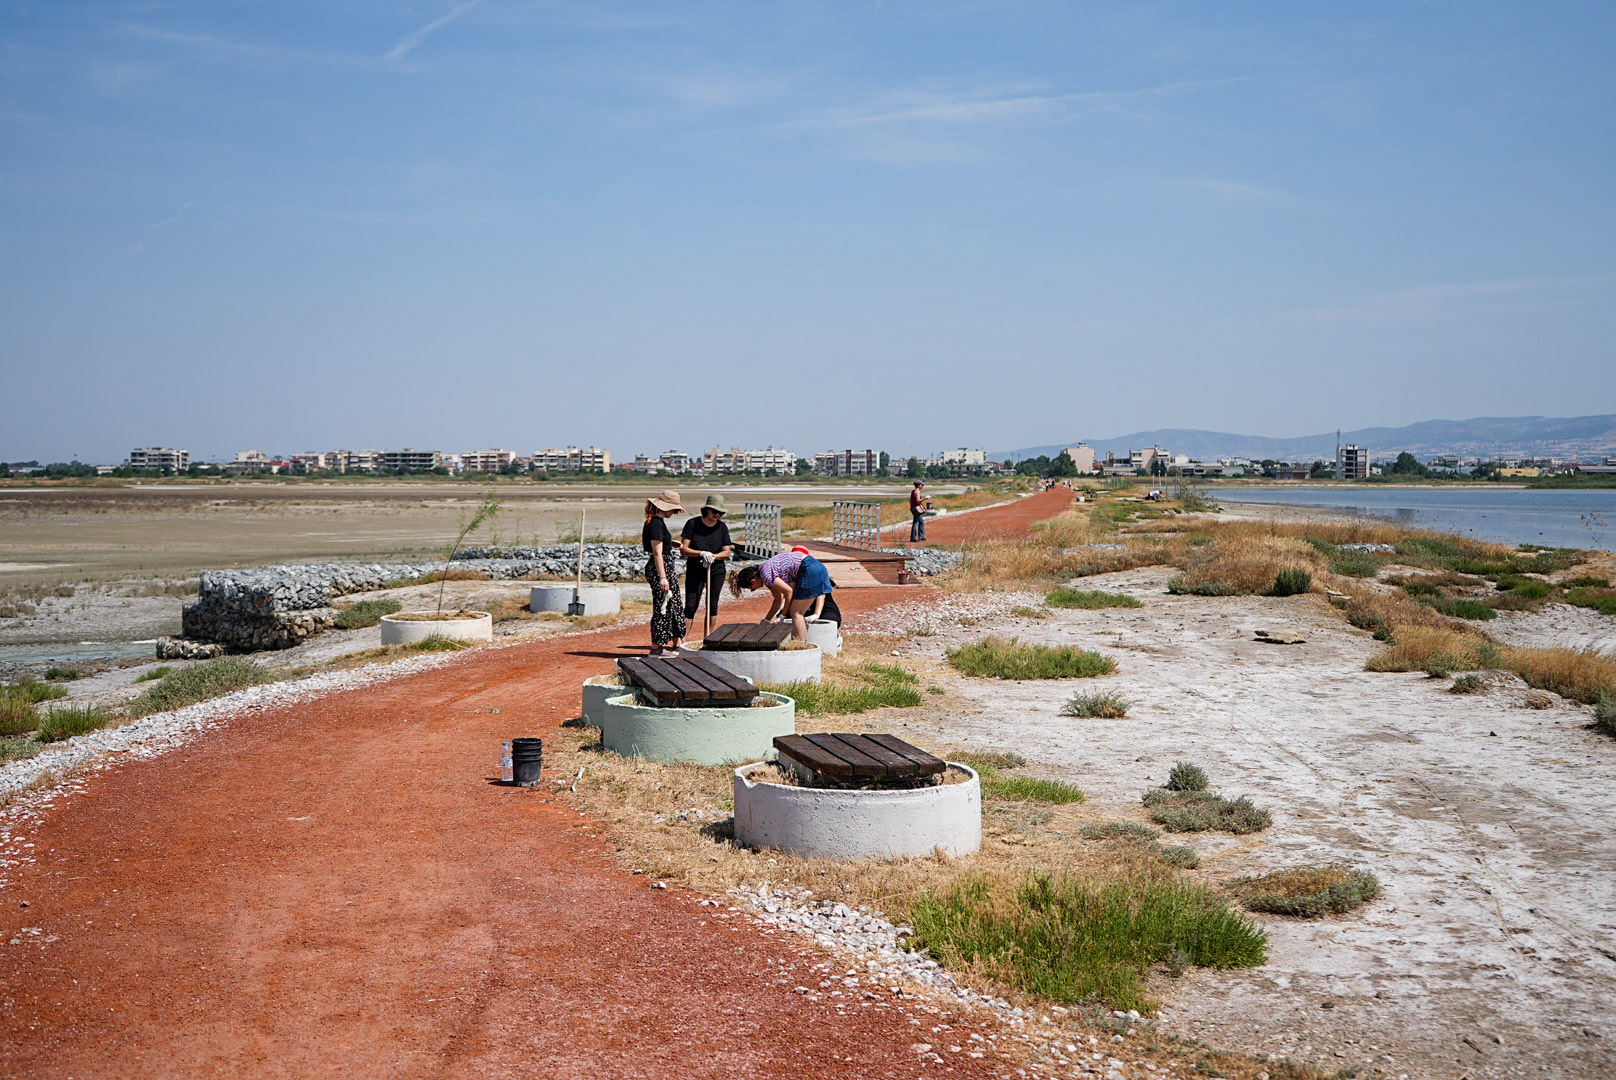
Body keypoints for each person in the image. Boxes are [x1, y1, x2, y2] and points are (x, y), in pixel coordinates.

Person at [730, 548, 833, 642]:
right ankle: (801, 641)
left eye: (752, 589)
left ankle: (802, 644)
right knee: (797, 611)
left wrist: (783, 615)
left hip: (808, 568)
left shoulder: (767, 576)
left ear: (753, 581)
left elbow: (789, 592)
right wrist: (766, 620)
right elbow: (778, 601)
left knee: (796, 613)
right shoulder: (765, 570)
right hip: (817, 566)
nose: (755, 589)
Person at [641, 490, 687, 656]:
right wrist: (662, 577)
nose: (674, 513)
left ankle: (677, 643)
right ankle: (657, 648)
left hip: (664, 567)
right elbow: (657, 553)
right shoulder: (656, 524)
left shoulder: (655, 522)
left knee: (673, 604)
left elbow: (659, 545)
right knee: (663, 606)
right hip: (660, 568)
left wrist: (670, 542)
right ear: (666, 508)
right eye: (673, 510)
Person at [679, 493, 734, 625]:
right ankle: (682, 640)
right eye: (715, 511)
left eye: (721, 513)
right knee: (691, 606)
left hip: (716, 569)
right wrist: (701, 553)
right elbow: (684, 549)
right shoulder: (692, 523)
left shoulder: (722, 527)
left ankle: (707, 639)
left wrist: (714, 556)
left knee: (712, 605)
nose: (717, 515)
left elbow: (726, 552)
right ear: (707, 510)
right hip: (695, 569)